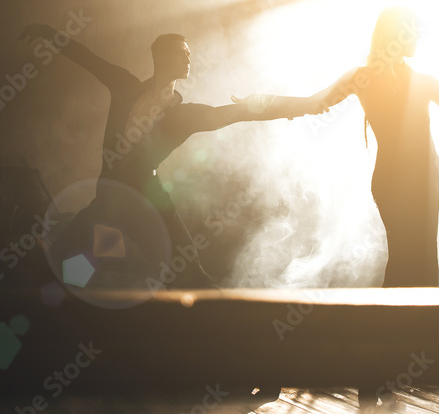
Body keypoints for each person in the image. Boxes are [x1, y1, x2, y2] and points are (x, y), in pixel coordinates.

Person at [237, 5, 439, 288]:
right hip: (401, 181)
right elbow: (312, 104)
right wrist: (258, 104)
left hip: (417, 179)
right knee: (413, 260)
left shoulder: (412, 80)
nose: (418, 37)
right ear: (395, 34)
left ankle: (406, 336)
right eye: (412, 31)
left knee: (418, 259)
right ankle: (403, 337)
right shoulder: (369, 77)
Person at [19, 24, 309, 288]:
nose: (188, 59)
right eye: (182, 53)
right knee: (68, 267)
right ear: (162, 57)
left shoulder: (182, 115)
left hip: (150, 201)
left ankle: (216, 326)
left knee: (187, 270)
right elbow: (87, 58)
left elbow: (238, 113)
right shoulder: (124, 85)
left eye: (189, 53)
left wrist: (296, 107)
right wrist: (48, 33)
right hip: (109, 201)